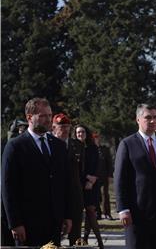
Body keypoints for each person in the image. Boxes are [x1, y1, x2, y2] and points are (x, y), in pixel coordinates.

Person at [1, 98, 72, 246]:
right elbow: (8, 188)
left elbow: (65, 183)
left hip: (54, 223)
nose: (48, 120)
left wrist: (67, 215)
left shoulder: (59, 146)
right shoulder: (15, 147)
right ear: (29, 117)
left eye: (49, 115)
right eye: (43, 116)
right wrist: (15, 223)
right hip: (27, 225)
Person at [114, 103, 156, 249]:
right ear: (138, 119)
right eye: (148, 117)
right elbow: (120, 179)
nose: (153, 121)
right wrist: (123, 209)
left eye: (155, 117)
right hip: (137, 215)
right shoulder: (127, 144)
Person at [52, 113, 85, 245]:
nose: (65, 129)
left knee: (75, 236)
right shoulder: (48, 144)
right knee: (54, 239)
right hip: (55, 196)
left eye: (67, 126)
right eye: (61, 126)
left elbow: (82, 170)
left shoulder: (77, 145)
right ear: (53, 127)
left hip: (74, 196)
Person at [74, 125, 104, 248]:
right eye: (78, 132)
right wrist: (87, 178)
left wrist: (93, 179)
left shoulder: (93, 148)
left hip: (92, 185)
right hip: (79, 184)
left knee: (91, 211)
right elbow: (76, 168)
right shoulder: (74, 148)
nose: (80, 134)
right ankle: (85, 239)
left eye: (82, 132)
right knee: (84, 213)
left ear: (87, 133)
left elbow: (98, 165)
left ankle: (100, 242)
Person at [93, 133, 114, 220]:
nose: (96, 140)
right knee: (96, 195)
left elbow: (109, 163)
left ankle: (107, 213)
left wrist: (110, 175)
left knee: (105, 195)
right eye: (94, 138)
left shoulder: (104, 149)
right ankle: (98, 213)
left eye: (97, 138)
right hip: (94, 177)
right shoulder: (90, 149)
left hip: (104, 176)